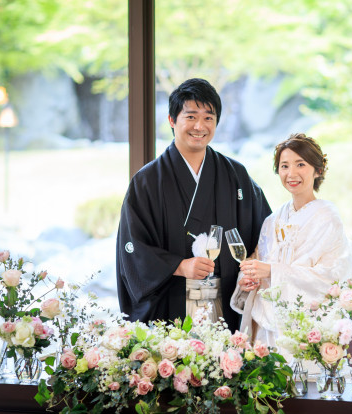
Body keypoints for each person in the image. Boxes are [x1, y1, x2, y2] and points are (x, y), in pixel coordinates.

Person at [116, 78, 271, 332]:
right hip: (171, 305)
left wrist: (253, 270)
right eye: (190, 116)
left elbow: (264, 233)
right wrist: (179, 265)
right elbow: (133, 247)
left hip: (227, 303)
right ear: (172, 121)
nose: (200, 126)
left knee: (227, 367)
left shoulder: (236, 175)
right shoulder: (147, 181)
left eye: (209, 118)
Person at [230, 133, 352, 345]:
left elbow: (331, 278)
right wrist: (248, 282)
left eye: (300, 164)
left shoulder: (327, 218)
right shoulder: (272, 221)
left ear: (318, 170)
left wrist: (273, 271)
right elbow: (258, 266)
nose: (291, 173)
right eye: (284, 166)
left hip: (305, 331)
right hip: (267, 331)